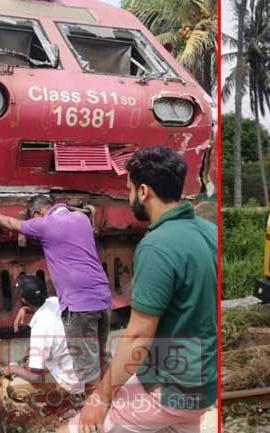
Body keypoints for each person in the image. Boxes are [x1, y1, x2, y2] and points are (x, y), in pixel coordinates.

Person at [63, 146, 218, 433]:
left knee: (76, 429)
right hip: (204, 383)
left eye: (130, 189)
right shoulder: (210, 233)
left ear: (144, 191)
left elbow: (136, 337)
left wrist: (99, 398)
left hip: (172, 388)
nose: (129, 196)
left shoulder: (157, 246)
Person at [0, 194, 112, 389]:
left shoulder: (44, 224)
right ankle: (111, 395)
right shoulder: (81, 218)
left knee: (87, 373)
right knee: (100, 355)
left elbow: (10, 222)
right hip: (103, 297)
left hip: (79, 305)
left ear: (37, 213)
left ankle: (93, 413)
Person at [0, 274, 84, 404]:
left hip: (70, 382)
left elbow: (35, 376)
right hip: (82, 371)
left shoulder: (39, 329)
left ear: (24, 300)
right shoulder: (55, 301)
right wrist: (25, 309)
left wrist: (12, 369)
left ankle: (63, 399)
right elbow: (45, 311)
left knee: (12, 388)